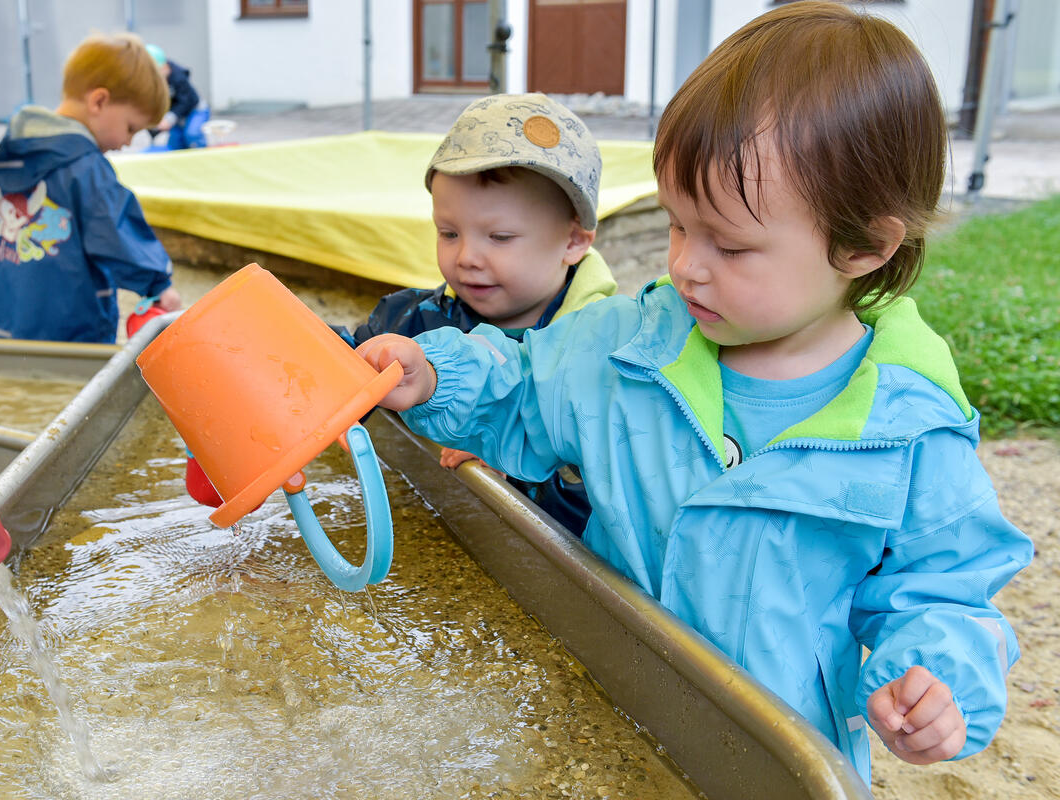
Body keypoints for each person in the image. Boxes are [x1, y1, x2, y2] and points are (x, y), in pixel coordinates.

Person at [355, 1, 1033, 783]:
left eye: (731, 244)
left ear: (863, 245)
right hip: (602, 706)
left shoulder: (906, 426)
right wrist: (437, 373)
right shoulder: (627, 346)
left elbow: (945, 588)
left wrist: (937, 679)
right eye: (678, 225)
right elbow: (520, 391)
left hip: (771, 760)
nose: (686, 267)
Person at [340, 92, 616, 534]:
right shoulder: (414, 320)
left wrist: (522, 473)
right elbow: (333, 367)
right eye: (449, 233)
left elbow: (604, 501)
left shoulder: (595, 356)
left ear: (574, 242)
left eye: (500, 237)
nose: (466, 257)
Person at [0, 32, 181, 343]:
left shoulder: (2, 160)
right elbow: (116, 233)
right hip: (65, 341)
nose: (128, 142)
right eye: (131, 127)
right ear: (99, 101)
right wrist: (159, 285)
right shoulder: (85, 168)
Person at [145, 44, 208, 150]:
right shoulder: (154, 83)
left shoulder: (178, 77)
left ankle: (201, 157)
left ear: (165, 66)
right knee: (175, 143)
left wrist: (169, 119)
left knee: (192, 134)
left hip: (195, 110)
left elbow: (187, 101)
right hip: (176, 115)